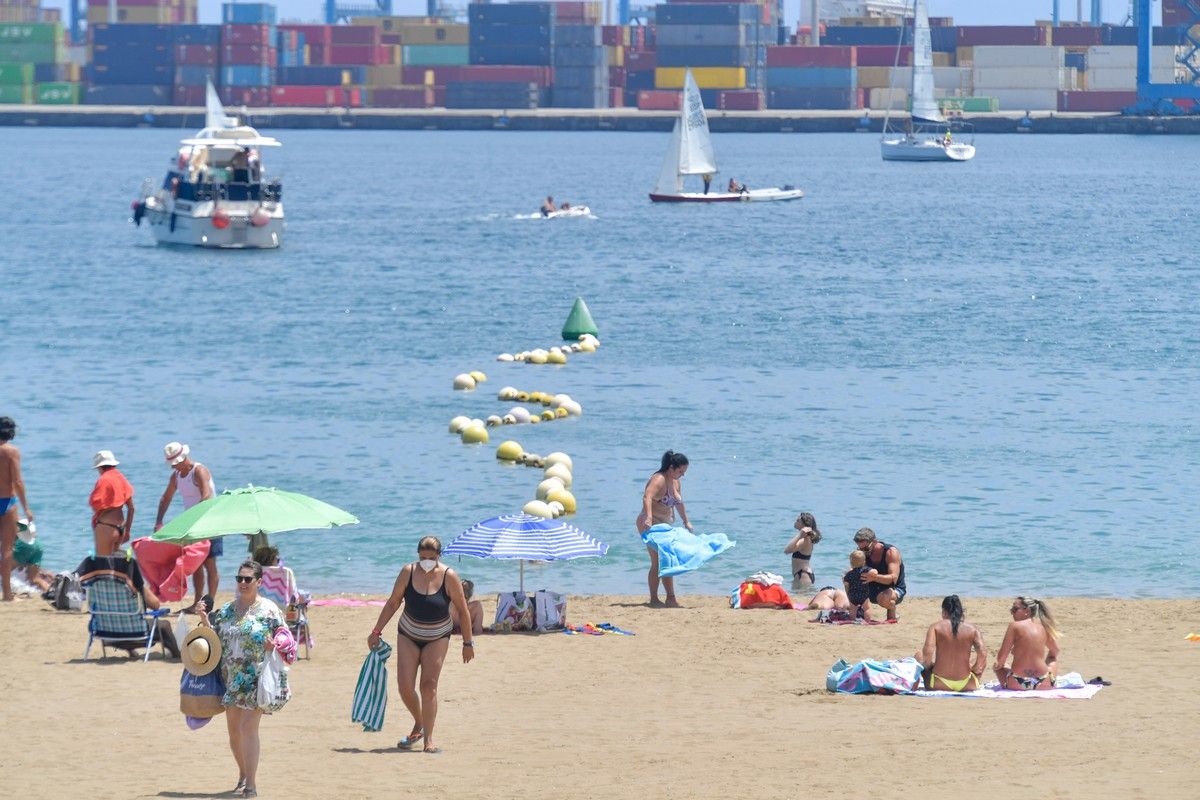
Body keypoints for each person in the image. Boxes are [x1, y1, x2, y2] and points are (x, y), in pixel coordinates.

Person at [367, 536, 474, 754]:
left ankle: (429, 740)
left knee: (428, 685)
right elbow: (393, 602)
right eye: (423, 557)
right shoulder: (408, 572)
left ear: (439, 556)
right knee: (405, 686)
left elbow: (463, 611)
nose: (427, 562)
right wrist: (376, 631)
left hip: (438, 636)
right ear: (417, 555)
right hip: (408, 633)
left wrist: (468, 642)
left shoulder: (449, 576)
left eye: (431, 558)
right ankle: (420, 723)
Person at [196, 560, 290, 797]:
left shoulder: (270, 610)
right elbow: (215, 638)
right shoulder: (227, 610)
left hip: (256, 678)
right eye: (239, 579)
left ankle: (251, 785)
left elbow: (286, 639)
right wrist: (205, 620)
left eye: (248, 579)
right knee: (234, 732)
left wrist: (275, 645)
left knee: (248, 728)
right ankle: (243, 773)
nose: (243, 583)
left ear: (259, 582)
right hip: (231, 678)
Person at [75, 549, 180, 659]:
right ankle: (177, 655)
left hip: (105, 632)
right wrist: (139, 584)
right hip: (135, 634)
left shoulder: (95, 583)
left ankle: (131, 652)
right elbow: (155, 605)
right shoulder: (132, 584)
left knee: (119, 618)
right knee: (164, 625)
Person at [154, 442, 217, 613]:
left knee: (210, 564)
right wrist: (159, 522)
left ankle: (209, 603)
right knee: (195, 564)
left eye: (176, 463)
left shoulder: (199, 471)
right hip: (192, 525)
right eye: (172, 464)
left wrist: (194, 519)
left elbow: (206, 495)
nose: (174, 466)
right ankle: (198, 602)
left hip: (210, 522)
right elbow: (165, 499)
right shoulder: (176, 477)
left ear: (184, 458)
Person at [636, 450, 692, 608]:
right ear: (671, 468)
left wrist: (686, 521)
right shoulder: (658, 479)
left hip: (664, 525)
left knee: (668, 559)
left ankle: (670, 598)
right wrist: (648, 516)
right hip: (649, 523)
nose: (682, 474)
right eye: (680, 471)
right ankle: (654, 599)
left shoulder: (675, 482)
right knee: (658, 561)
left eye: (684, 472)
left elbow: (679, 502)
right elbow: (647, 496)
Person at [915, 595, 987, 692]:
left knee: (918, 655)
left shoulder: (935, 627)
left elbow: (926, 659)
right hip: (966, 685)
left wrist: (934, 666)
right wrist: (973, 669)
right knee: (979, 661)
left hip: (938, 684)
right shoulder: (973, 629)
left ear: (944, 611)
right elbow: (983, 654)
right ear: (961, 612)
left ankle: (914, 685)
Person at [994, 596, 1061, 691]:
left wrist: (1000, 666)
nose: (1012, 612)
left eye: (1015, 609)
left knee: (998, 667)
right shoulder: (1043, 627)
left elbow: (1001, 658)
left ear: (1027, 611)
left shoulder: (1014, 626)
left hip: (1018, 682)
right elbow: (1055, 650)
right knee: (1052, 658)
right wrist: (1046, 660)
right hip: (1044, 682)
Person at [0, 416, 33, 601]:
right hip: (6, 503)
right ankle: (7, 594)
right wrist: (26, 508)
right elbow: (17, 481)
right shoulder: (12, 451)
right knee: (6, 549)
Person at [852, 527, 905, 621]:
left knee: (885, 598)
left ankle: (892, 610)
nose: (862, 551)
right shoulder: (863, 552)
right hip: (872, 587)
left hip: (893, 588)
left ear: (875, 541)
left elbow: (893, 579)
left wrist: (874, 578)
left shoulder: (891, 552)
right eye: (859, 548)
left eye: (865, 548)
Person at [90, 451, 134, 557]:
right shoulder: (121, 478)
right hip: (121, 528)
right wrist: (127, 531)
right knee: (116, 564)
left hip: (106, 527)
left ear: (100, 467)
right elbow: (131, 508)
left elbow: (95, 503)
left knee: (103, 565)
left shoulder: (103, 479)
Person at [783, 512, 821, 592]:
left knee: (801, 602)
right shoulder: (805, 539)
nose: (795, 521)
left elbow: (786, 550)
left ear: (804, 525)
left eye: (798, 520)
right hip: (802, 574)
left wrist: (800, 535)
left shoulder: (804, 540)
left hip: (803, 575)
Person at [842, 549, 871, 619]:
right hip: (864, 594)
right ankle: (867, 619)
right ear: (864, 562)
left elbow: (846, 583)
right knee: (867, 608)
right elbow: (873, 571)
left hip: (853, 595)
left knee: (853, 609)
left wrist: (844, 579)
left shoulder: (849, 574)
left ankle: (852, 619)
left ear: (851, 563)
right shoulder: (866, 570)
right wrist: (874, 572)